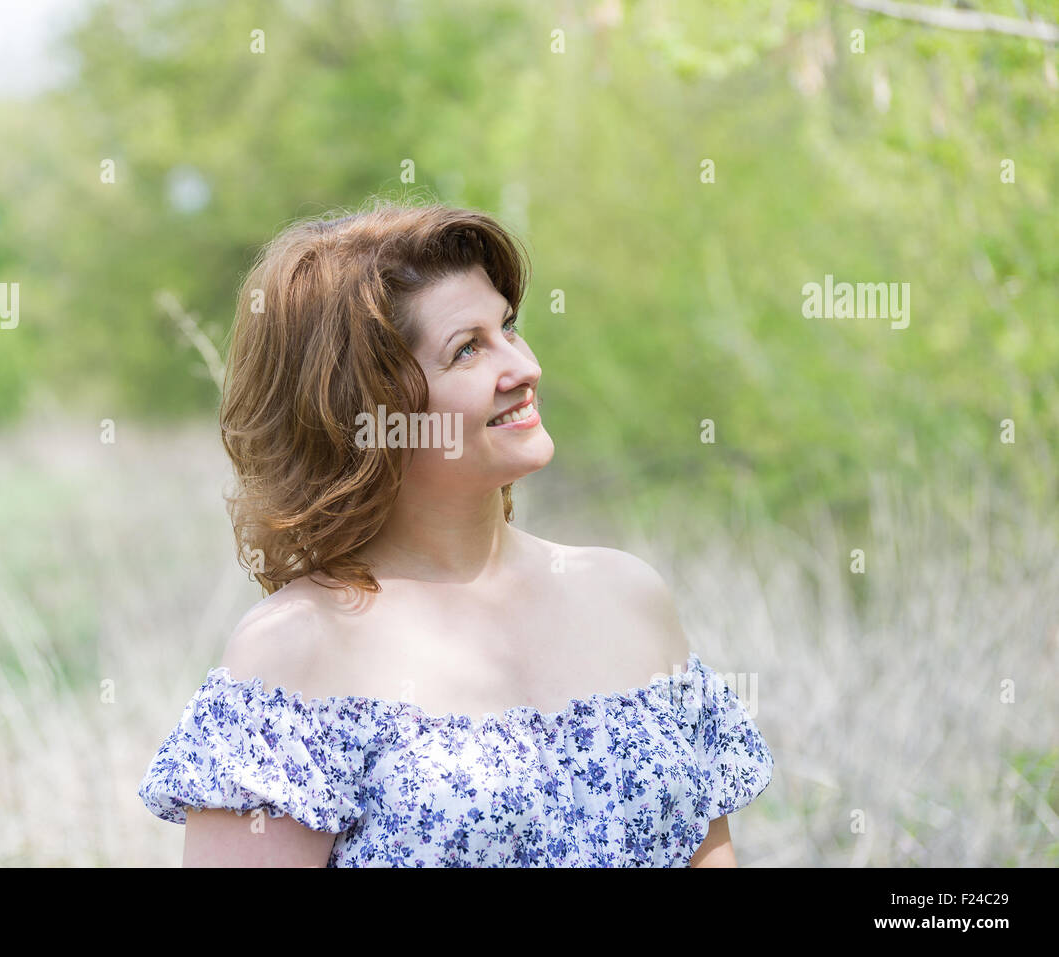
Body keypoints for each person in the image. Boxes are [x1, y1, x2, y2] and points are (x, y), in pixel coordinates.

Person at [138, 199, 774, 866]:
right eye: (467, 349)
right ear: (367, 410)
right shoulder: (295, 649)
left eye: (508, 328)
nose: (523, 368)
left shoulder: (629, 596)